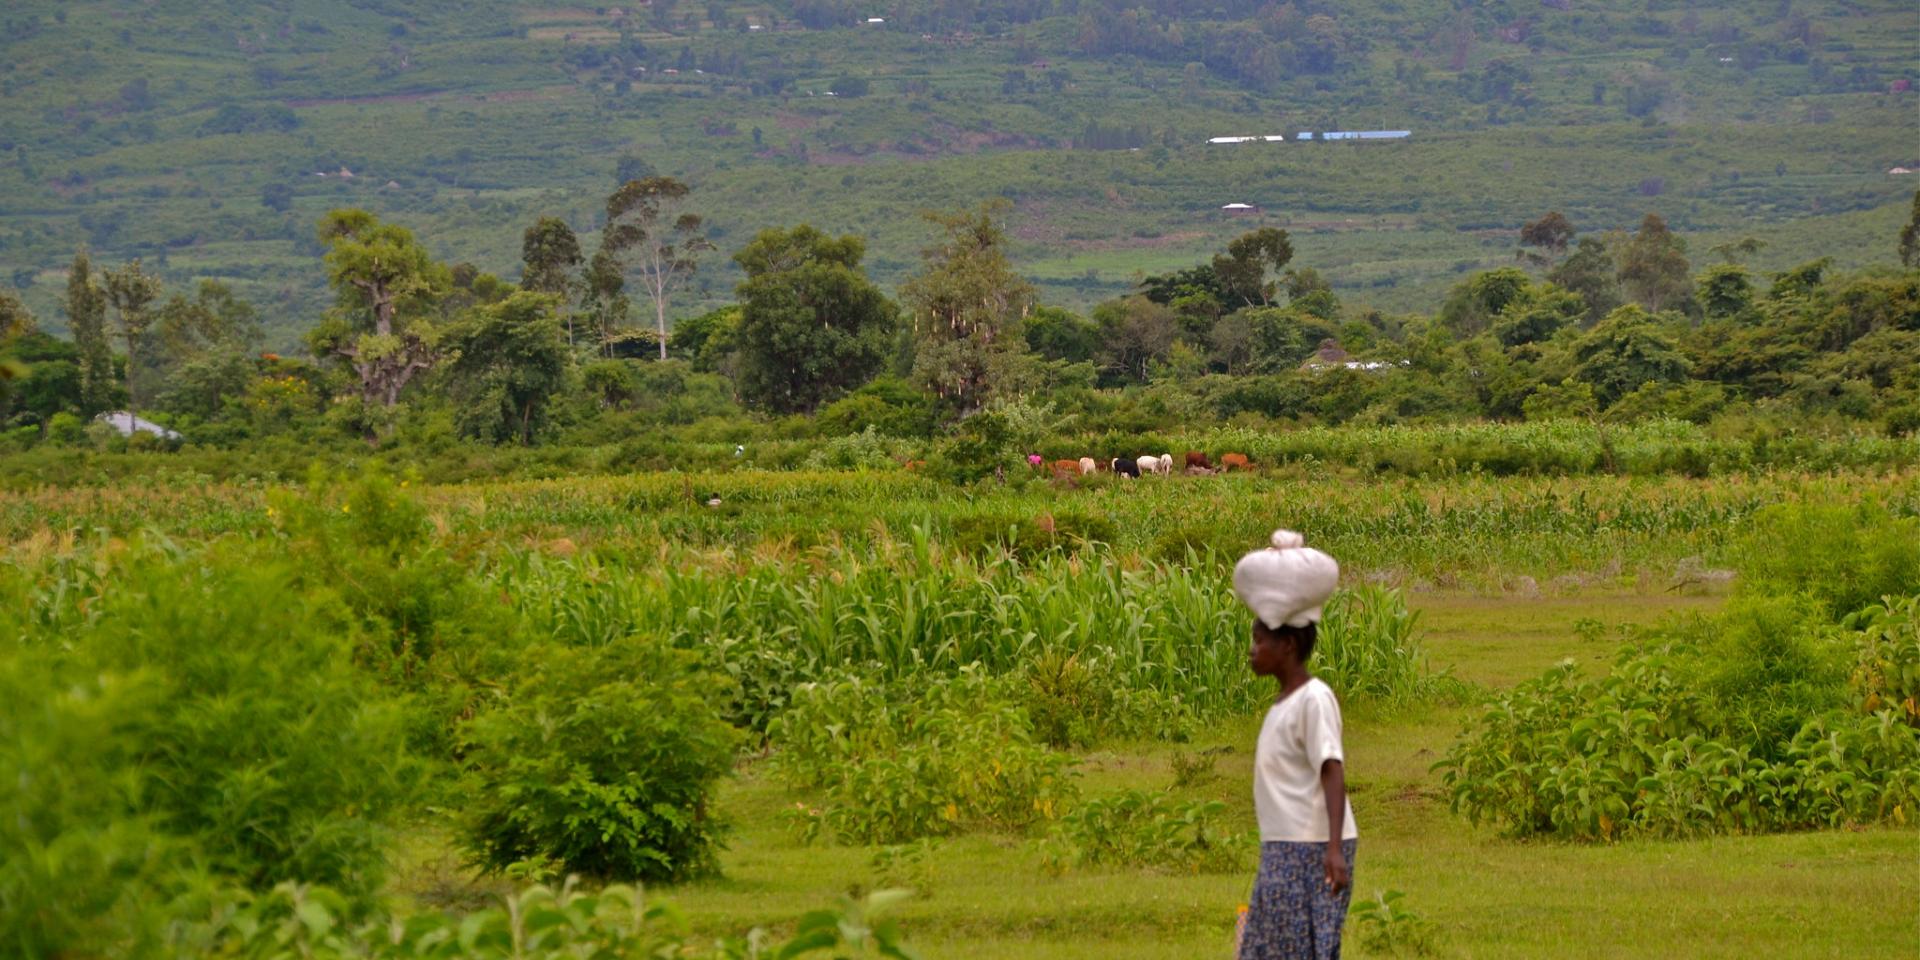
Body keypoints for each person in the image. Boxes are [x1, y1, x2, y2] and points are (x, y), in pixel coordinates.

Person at [1232, 529, 1355, 960]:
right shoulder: (1282, 704)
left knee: (1301, 949)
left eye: (1260, 641)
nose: (1252, 651)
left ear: (1286, 646)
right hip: (1283, 845)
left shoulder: (1314, 699)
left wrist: (1335, 850)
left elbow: (1331, 769)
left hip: (1312, 847)